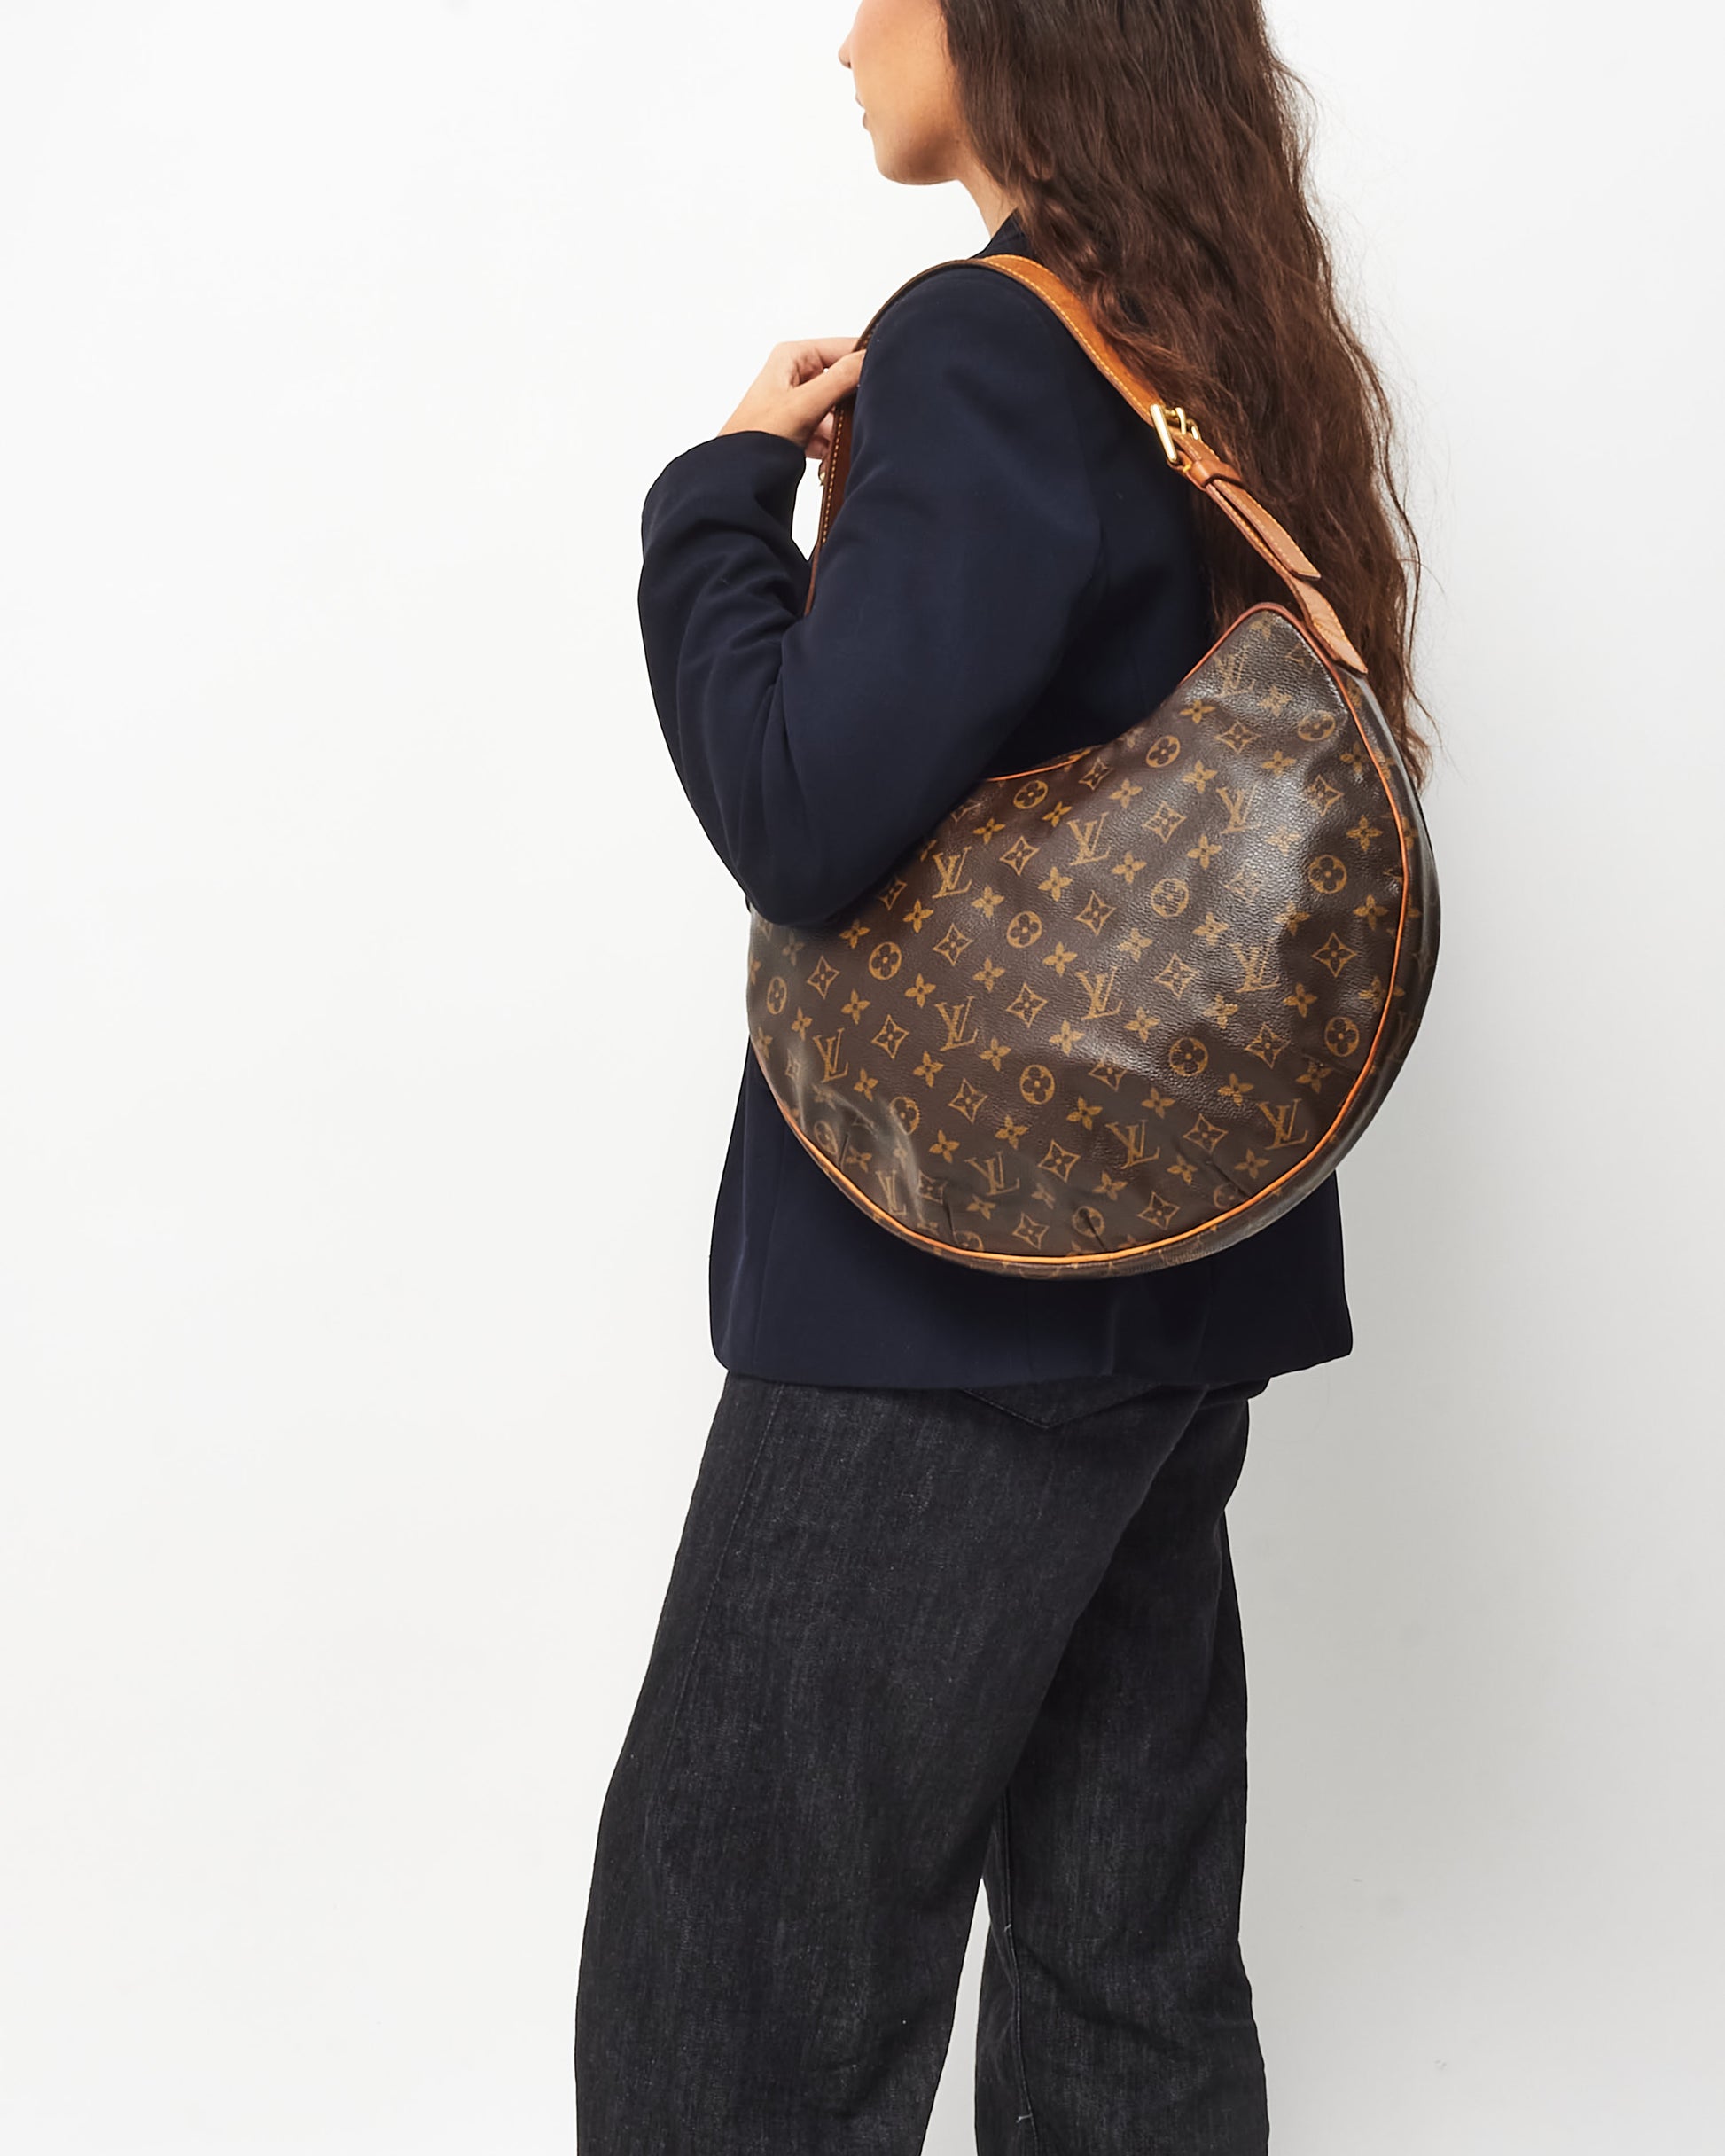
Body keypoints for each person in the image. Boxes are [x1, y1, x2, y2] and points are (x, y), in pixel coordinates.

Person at [574, 3, 1430, 2149]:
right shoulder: (1205, 342)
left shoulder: (976, 342)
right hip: (1173, 1280)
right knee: (1120, 1971)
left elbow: (802, 806)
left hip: (942, 1292)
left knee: (739, 1971)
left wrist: (715, 506)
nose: (843, 34)